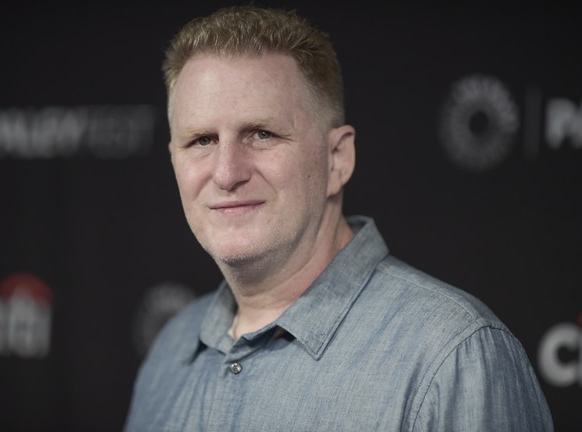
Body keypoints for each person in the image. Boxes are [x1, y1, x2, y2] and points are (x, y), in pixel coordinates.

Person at [125, 5, 553, 431]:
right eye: (202, 140)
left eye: (261, 134)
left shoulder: (453, 358)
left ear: (337, 159)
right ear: (174, 160)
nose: (226, 173)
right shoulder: (170, 351)